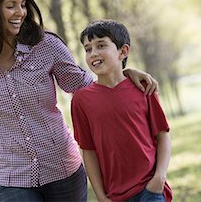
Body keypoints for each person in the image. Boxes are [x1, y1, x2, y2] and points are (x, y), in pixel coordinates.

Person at [0, 0, 159, 202]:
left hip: (62, 168)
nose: (20, 12)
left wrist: (123, 73)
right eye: (11, 6)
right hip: (10, 175)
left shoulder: (46, 45)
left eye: (23, 5)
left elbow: (85, 85)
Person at [71, 20, 172, 202]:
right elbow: (88, 151)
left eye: (101, 45)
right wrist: (101, 197)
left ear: (123, 51)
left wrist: (159, 178)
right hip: (115, 196)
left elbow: (162, 135)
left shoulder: (143, 87)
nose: (93, 53)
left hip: (150, 189)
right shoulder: (81, 100)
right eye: (88, 49)